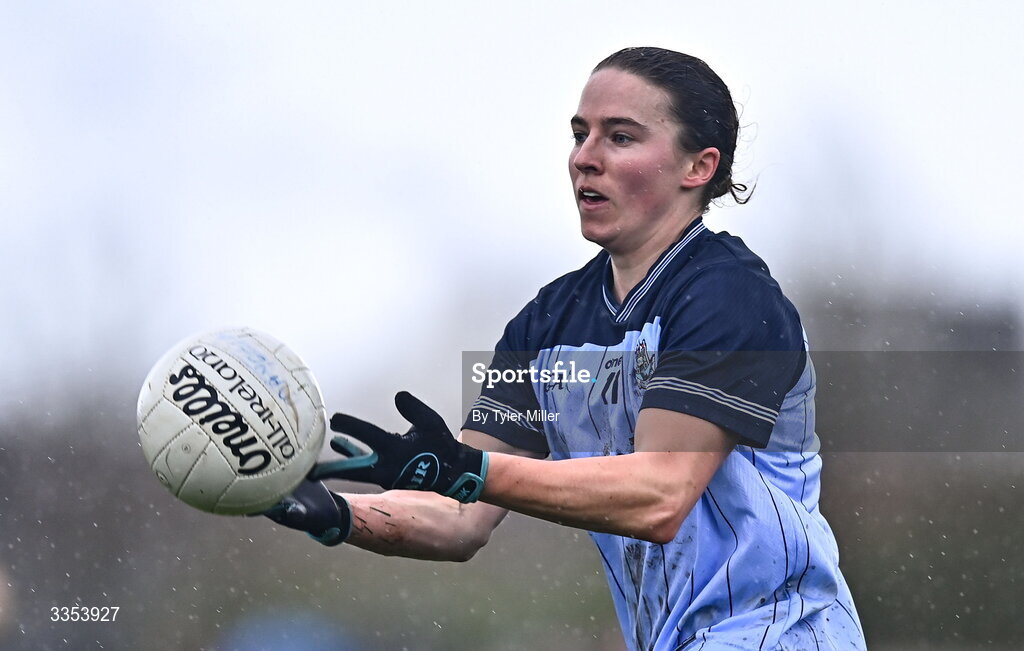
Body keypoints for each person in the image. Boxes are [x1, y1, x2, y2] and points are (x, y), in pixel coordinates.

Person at [266, 46, 867, 650]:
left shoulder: (729, 296)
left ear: (698, 167)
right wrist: (333, 513)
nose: (585, 158)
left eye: (621, 137)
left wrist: (469, 470)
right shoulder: (547, 323)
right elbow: (458, 516)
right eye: (580, 135)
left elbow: (661, 495)